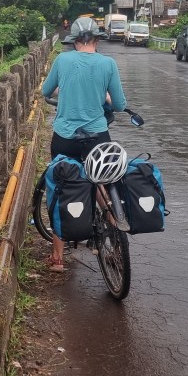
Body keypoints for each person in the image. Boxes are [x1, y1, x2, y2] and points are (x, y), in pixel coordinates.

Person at [40, 15, 128, 271]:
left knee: (60, 187)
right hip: (98, 137)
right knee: (101, 183)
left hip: (65, 137)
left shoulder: (62, 60)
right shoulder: (108, 63)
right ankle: (114, 240)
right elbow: (119, 104)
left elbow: (46, 91)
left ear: (74, 41)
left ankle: (57, 258)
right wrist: (105, 97)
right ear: (96, 40)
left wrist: (64, 90)